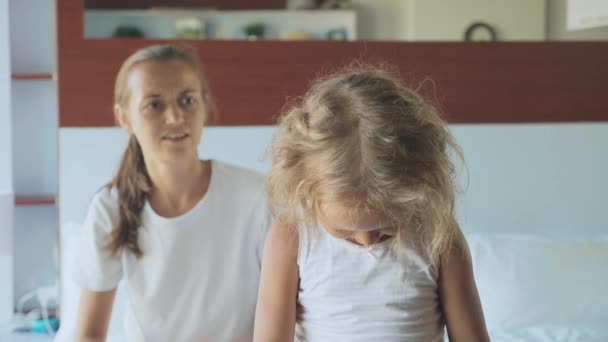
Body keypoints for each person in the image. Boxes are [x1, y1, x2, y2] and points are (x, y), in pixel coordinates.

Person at [254, 65, 490, 341]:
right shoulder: (292, 236)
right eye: (345, 232)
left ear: (418, 189)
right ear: (306, 193)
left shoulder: (438, 236)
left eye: (386, 226)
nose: (367, 241)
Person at [74, 44, 270, 341]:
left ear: (205, 105)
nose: (175, 116)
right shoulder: (110, 208)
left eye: (187, 100)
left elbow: (292, 314)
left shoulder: (257, 197)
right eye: (154, 105)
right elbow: (88, 333)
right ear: (124, 118)